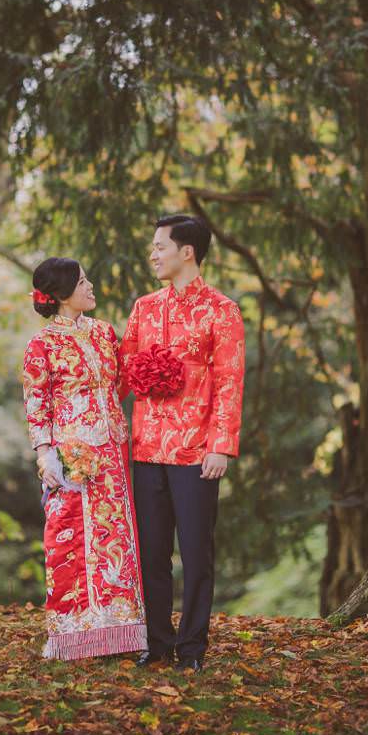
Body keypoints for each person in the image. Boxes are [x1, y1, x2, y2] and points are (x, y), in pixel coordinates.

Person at [119, 214, 245, 672]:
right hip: (146, 448)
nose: (153, 254)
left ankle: (192, 647)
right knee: (152, 552)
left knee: (196, 553)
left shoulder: (222, 310)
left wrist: (221, 445)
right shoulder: (144, 308)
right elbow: (122, 373)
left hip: (196, 452)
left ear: (186, 251)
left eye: (159, 246)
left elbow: (230, 381)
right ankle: (157, 641)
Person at [19, 257, 148, 660]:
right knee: (71, 538)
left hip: (111, 450)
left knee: (116, 539)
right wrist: (45, 455)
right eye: (82, 281)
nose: (91, 286)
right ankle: (74, 635)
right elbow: (36, 402)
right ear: (60, 295)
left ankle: (120, 630)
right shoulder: (41, 345)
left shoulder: (105, 334)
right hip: (70, 454)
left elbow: (124, 380)